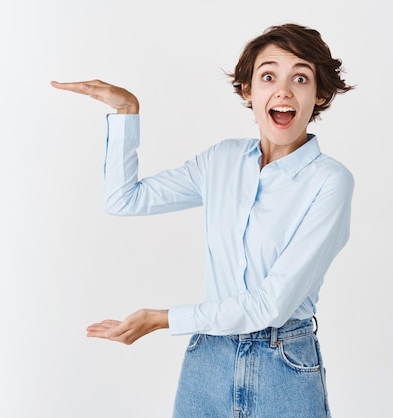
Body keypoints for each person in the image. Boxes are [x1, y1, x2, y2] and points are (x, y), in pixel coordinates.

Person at [52, 23, 353, 418]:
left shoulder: (330, 182)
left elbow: (272, 305)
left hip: (284, 366)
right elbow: (126, 199)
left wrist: (163, 319)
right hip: (208, 360)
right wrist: (126, 112)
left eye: (300, 77)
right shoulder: (222, 161)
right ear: (248, 90)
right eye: (268, 76)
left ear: (321, 94)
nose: (283, 91)